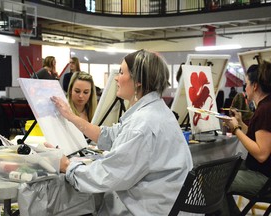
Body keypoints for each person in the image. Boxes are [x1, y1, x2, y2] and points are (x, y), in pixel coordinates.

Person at [51, 49, 193, 215]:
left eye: (121, 72)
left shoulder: (142, 125)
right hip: (167, 204)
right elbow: (111, 136)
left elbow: (108, 175)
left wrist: (68, 166)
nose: (117, 78)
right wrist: (70, 116)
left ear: (138, 81)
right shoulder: (157, 110)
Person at [222, 61, 271, 215]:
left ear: (255, 86)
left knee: (216, 184)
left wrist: (236, 129)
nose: (245, 88)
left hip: (263, 178)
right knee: (221, 172)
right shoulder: (265, 106)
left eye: (246, 83)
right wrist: (242, 124)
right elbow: (260, 136)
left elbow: (262, 154)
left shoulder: (265, 110)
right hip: (262, 172)